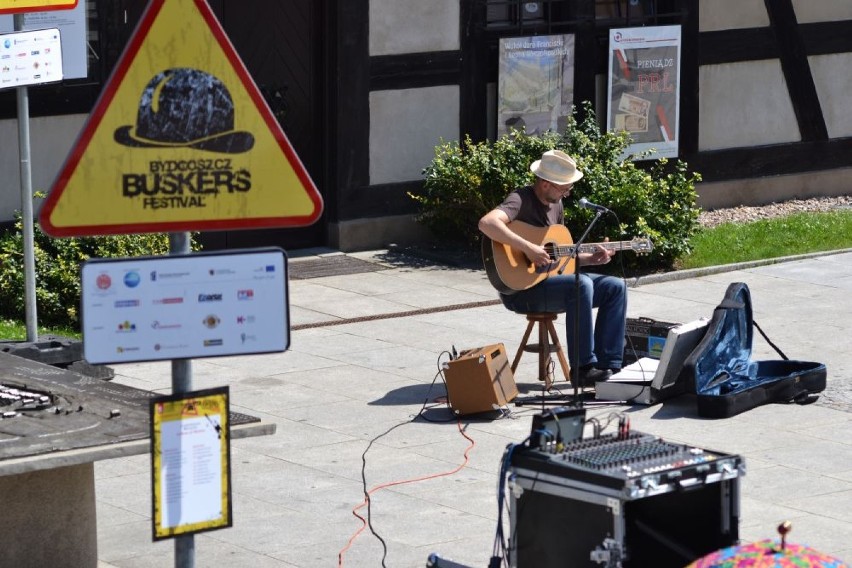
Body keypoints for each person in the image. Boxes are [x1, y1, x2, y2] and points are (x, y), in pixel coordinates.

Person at [478, 149, 626, 386]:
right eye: (564, 188)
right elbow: (487, 223)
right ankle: (583, 368)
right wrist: (527, 248)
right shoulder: (520, 199)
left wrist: (590, 259)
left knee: (614, 287)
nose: (567, 193)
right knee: (581, 284)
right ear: (545, 184)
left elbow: (558, 260)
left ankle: (609, 364)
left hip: (549, 283)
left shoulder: (556, 205)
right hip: (520, 291)